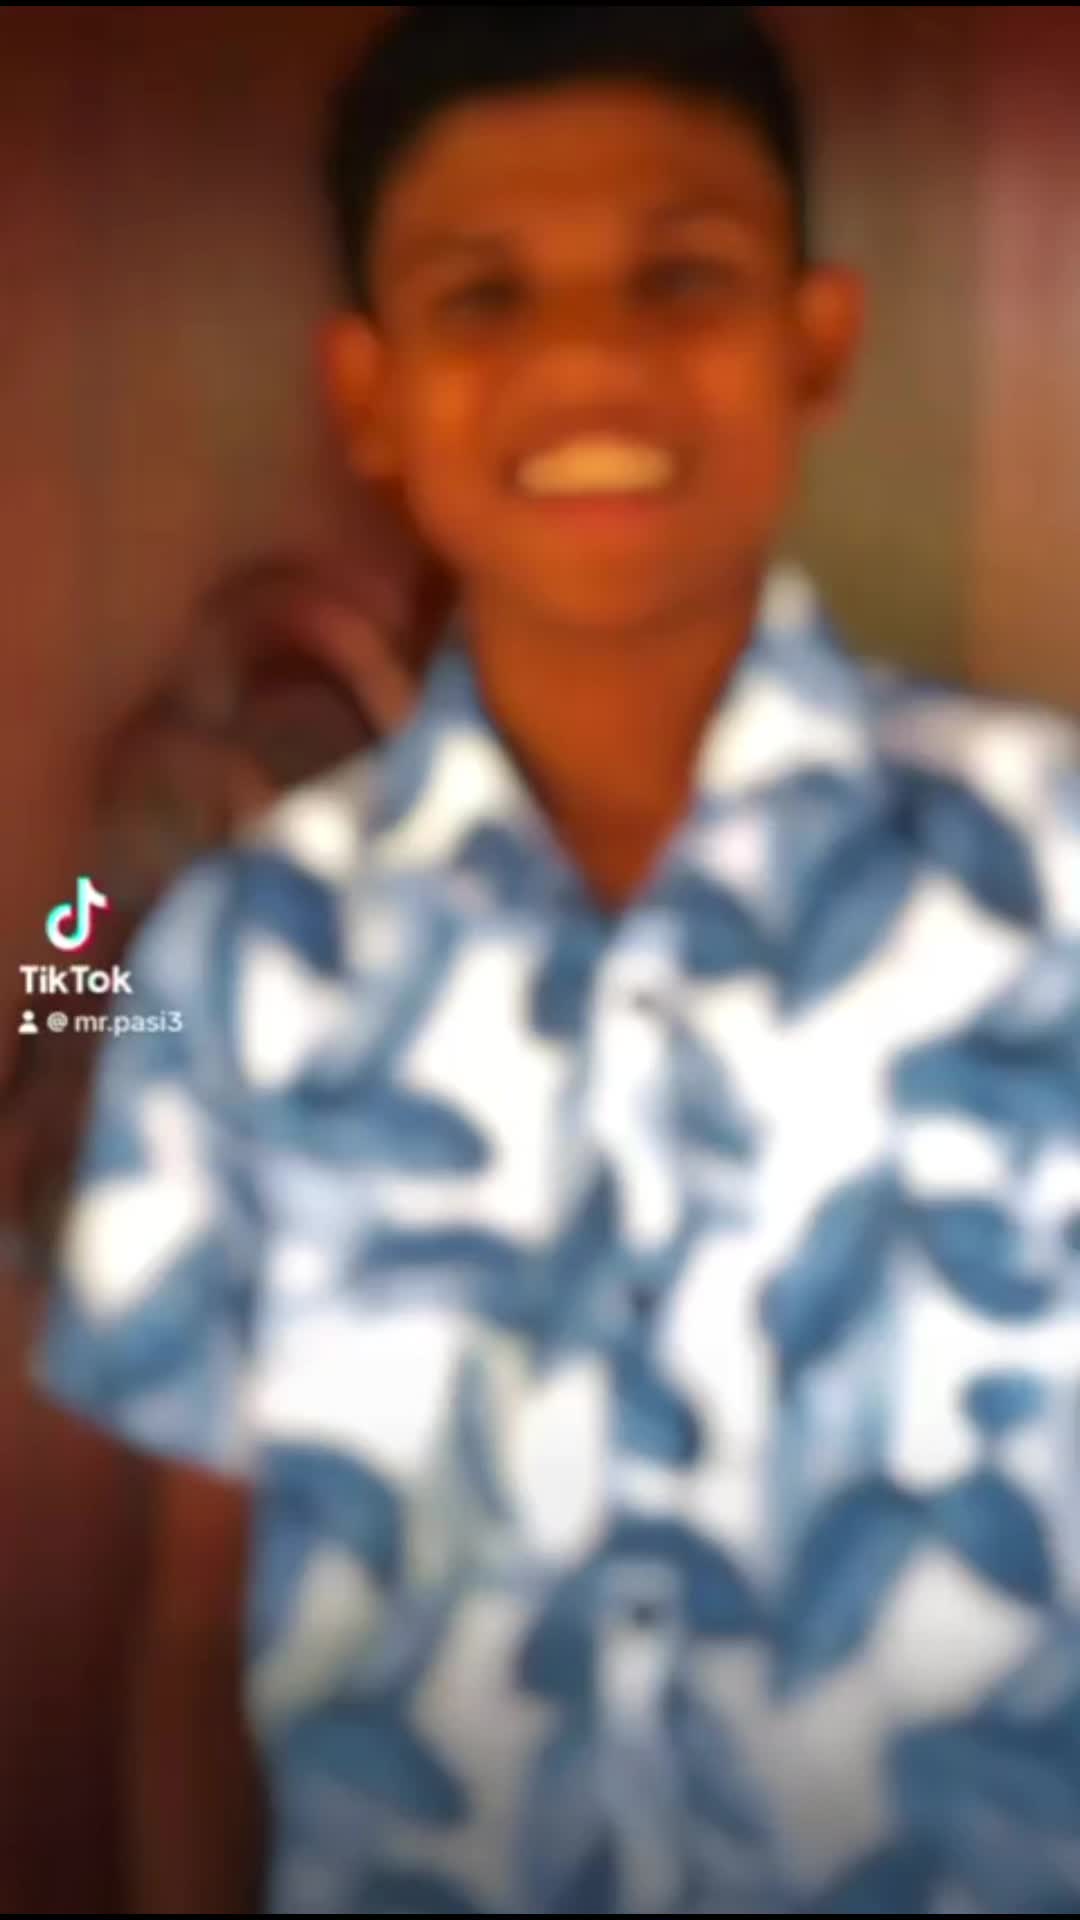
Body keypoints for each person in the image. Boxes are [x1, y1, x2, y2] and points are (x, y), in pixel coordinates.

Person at [36, 7, 1080, 1914]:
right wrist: (72, 935)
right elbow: (199, 1627)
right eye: (486, 293)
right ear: (367, 392)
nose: (591, 356)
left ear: (817, 339)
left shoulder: (1061, 876)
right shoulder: (227, 954)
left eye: (681, 276)